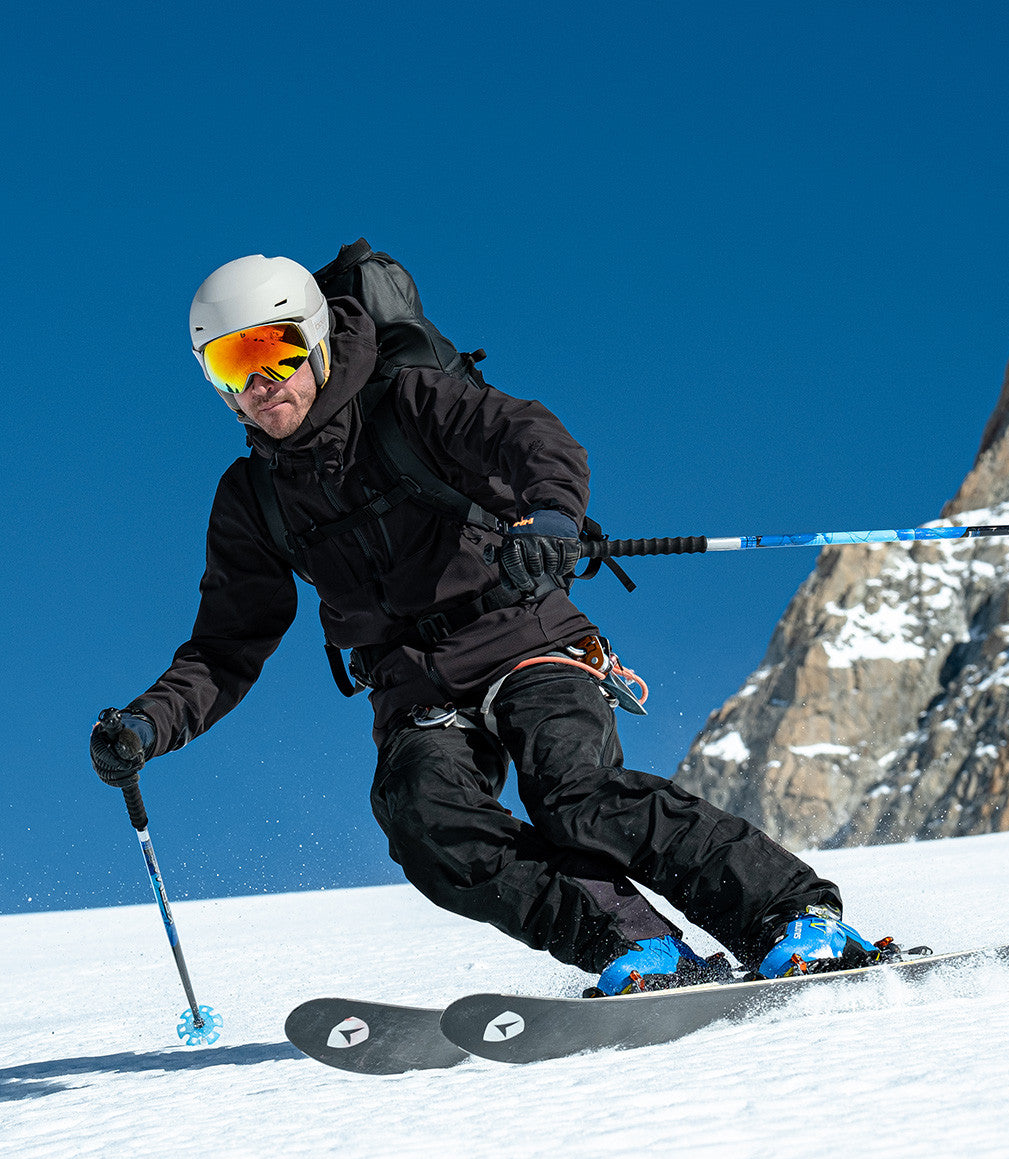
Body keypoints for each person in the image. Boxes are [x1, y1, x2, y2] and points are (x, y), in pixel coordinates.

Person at [90, 252, 887, 995]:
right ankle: (633, 947)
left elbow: (530, 436)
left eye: (277, 349)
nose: (263, 381)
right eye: (233, 362)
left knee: (575, 793)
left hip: (523, 634)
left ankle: (792, 918)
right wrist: (147, 727)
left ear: (317, 340)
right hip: (412, 686)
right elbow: (229, 642)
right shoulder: (252, 498)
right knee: (426, 822)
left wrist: (551, 518)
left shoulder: (408, 403)